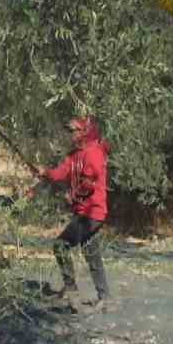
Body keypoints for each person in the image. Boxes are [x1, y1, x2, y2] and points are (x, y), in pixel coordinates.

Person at [35, 115, 111, 312]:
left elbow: (90, 182)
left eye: (74, 131)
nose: (71, 135)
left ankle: (72, 293)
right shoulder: (75, 155)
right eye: (70, 131)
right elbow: (61, 172)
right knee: (91, 254)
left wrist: (74, 195)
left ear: (85, 131)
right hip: (85, 213)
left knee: (60, 246)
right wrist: (46, 173)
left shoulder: (94, 152)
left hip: (92, 213)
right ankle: (105, 298)